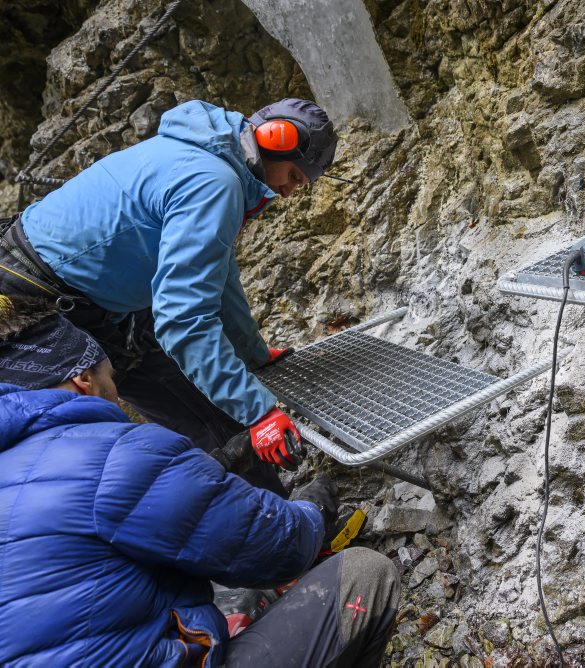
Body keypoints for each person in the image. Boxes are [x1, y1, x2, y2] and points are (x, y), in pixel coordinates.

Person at [0, 297, 400, 667]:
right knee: (366, 575)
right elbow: (281, 548)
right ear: (83, 377)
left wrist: (218, 465)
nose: (116, 392)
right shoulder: (116, 451)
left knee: (235, 592)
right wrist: (313, 510)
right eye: (109, 374)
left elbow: (103, 514)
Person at [0, 97, 339, 494]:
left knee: (201, 411)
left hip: (85, 299)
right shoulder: (215, 182)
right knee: (85, 458)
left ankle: (271, 524)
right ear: (277, 139)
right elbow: (182, 319)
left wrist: (254, 355)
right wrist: (259, 412)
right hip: (33, 311)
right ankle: (269, 536)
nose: (289, 192)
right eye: (296, 176)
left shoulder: (201, 154)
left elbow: (218, 276)